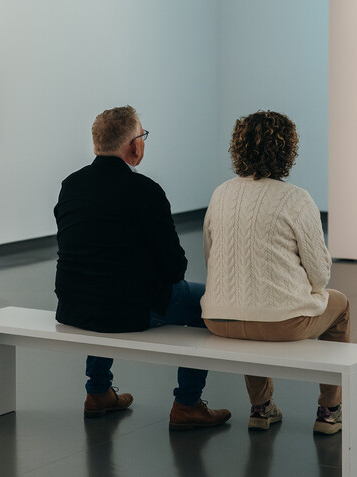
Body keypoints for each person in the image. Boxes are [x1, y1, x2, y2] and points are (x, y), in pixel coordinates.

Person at [54, 106, 231, 430]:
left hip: (73, 305)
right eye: (143, 136)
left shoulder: (71, 184)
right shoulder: (145, 190)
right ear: (134, 146)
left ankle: (98, 390)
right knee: (208, 301)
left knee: (102, 285)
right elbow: (174, 268)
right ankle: (187, 404)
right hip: (129, 309)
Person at [200, 111, 350, 435]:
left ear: (238, 147)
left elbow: (210, 257)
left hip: (218, 319)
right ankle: (329, 410)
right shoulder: (296, 199)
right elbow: (320, 276)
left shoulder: (220, 193)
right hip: (283, 323)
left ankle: (261, 407)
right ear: (287, 151)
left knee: (248, 301)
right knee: (340, 305)